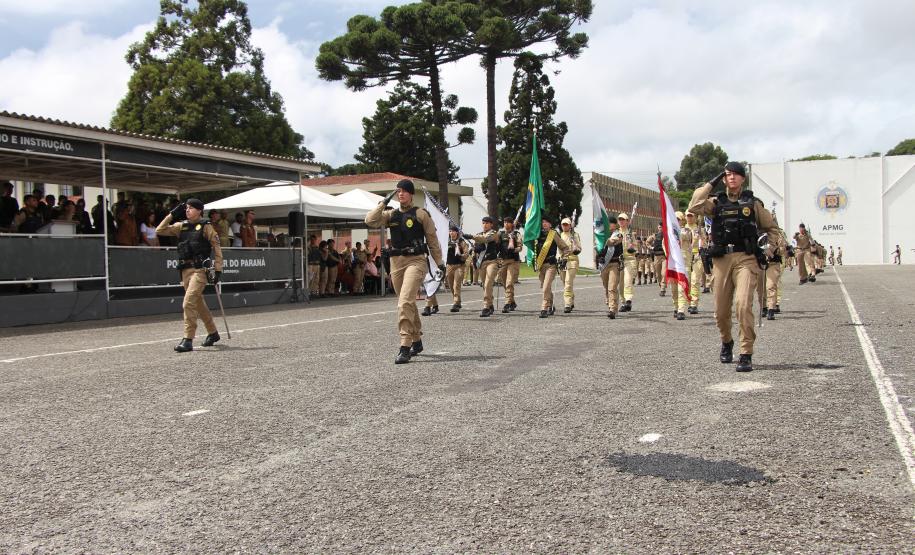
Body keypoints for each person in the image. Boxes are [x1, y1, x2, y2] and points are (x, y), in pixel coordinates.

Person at [688, 161, 776, 372]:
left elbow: (772, 229)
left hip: (746, 258)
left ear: (743, 179)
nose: (732, 177)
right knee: (720, 311)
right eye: (728, 175)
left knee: (743, 304)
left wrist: (768, 247)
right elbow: (694, 205)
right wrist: (713, 181)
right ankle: (726, 341)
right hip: (721, 260)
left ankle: (746, 353)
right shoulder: (715, 203)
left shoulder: (753, 204)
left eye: (736, 174)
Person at [365, 179, 444, 364]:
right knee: (406, 302)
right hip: (396, 262)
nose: (401, 194)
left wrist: (439, 262)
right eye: (398, 191)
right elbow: (370, 220)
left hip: (416, 261)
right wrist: (384, 202)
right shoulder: (390, 214)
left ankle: (405, 346)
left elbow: (432, 240)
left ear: (411, 194)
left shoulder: (420, 214)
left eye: (404, 191)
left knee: (405, 302)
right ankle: (417, 340)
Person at [155, 198, 223, 352]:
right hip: (185, 270)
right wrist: (172, 215)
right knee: (198, 303)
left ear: (199, 210)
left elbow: (217, 248)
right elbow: (159, 230)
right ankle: (213, 333)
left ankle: (188, 339)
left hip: (200, 270)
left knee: (188, 302)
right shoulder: (181, 226)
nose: (187, 210)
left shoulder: (206, 227)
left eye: (191, 208)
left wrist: (218, 270)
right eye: (186, 208)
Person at [533, 216, 570, 318]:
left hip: (551, 265)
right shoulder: (537, 234)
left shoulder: (553, 234)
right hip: (541, 265)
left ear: (550, 224)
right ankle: (550, 305)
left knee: (545, 288)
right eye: (543, 222)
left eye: (546, 222)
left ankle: (544, 308)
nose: (544, 224)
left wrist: (564, 259)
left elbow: (565, 248)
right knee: (546, 287)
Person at [466, 216, 500, 317]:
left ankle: (485, 307)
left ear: (491, 224)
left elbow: (485, 239)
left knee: (489, 283)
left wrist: (471, 236)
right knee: (485, 285)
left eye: (487, 223)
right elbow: (476, 248)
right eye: (483, 223)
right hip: (482, 263)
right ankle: (490, 304)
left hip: (492, 262)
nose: (484, 225)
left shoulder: (494, 233)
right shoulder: (478, 235)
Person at [596, 216, 623, 318]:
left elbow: (613, 242)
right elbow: (598, 249)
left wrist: (603, 240)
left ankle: (613, 309)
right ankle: (610, 303)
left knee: (612, 287)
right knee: (606, 286)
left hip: (614, 264)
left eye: (610, 223)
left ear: (615, 225)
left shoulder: (618, 235)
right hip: (604, 264)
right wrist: (600, 256)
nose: (609, 225)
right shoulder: (601, 236)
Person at [669, 211, 693, 320]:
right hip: (673, 262)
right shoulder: (669, 232)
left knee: (681, 287)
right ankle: (676, 306)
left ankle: (681, 309)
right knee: (673, 288)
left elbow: (687, 240)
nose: (676, 221)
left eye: (678, 219)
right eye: (675, 219)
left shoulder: (686, 231)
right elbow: (665, 245)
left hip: (684, 262)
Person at [497, 216, 523, 312]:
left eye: (508, 222)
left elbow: (520, 247)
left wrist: (514, 250)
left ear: (512, 224)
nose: (506, 224)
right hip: (503, 260)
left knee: (509, 282)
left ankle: (507, 303)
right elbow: (496, 244)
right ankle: (512, 302)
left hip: (513, 261)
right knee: (504, 283)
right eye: (505, 222)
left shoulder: (517, 234)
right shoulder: (500, 233)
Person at [684, 211, 706, 314]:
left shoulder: (700, 229)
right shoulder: (682, 229)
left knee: (695, 280)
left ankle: (694, 304)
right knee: (686, 280)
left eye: (691, 216)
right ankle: (688, 301)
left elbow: (704, 243)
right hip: (685, 257)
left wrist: (701, 242)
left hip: (697, 256)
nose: (689, 218)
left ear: (695, 217)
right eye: (688, 216)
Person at [558, 217, 582, 313]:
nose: (564, 226)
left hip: (572, 261)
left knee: (568, 282)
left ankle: (567, 304)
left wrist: (574, 244)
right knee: (565, 283)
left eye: (566, 224)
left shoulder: (575, 235)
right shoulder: (560, 235)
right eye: (563, 224)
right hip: (563, 261)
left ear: (570, 226)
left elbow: (579, 249)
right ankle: (571, 300)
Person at [765, 222, 788, 320]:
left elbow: (783, 250)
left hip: (772, 263)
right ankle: (763, 307)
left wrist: (775, 250)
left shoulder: (777, 235)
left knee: (771, 285)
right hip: (757, 263)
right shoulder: (754, 231)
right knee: (760, 288)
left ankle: (771, 309)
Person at [617, 213, 638, 312]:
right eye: (620, 219)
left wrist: (632, 248)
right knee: (620, 284)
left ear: (627, 221)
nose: (621, 221)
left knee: (627, 280)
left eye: (623, 219)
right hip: (619, 261)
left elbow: (636, 247)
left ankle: (628, 299)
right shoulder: (616, 233)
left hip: (630, 260)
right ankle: (624, 302)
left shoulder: (631, 234)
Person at [444, 226, 468, 311]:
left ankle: (456, 303)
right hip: (449, 266)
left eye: (453, 231)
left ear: (457, 232)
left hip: (459, 266)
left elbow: (466, 253)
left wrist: (461, 256)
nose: (451, 233)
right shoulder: (446, 242)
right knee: (451, 286)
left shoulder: (461, 242)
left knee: (456, 284)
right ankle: (457, 301)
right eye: (450, 231)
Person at [648, 223, 667, 296]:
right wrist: (651, 247)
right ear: (658, 227)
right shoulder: (654, 236)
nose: (661, 228)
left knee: (664, 273)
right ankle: (661, 284)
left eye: (662, 227)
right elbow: (647, 242)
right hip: (656, 257)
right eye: (659, 227)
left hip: (664, 257)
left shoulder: (666, 235)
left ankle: (663, 288)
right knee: (658, 274)